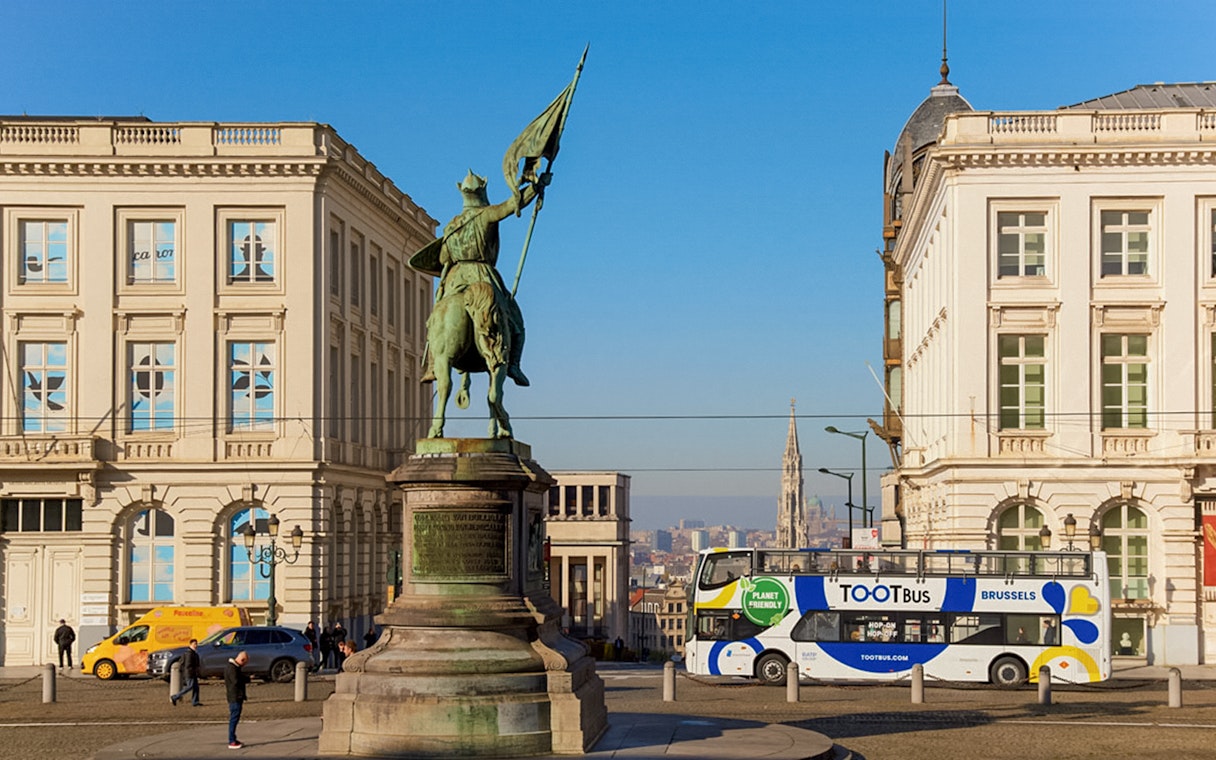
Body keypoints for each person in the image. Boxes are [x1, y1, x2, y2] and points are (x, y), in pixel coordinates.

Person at [224, 650, 250, 749]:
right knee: (234, 718)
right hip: (235, 696)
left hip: (234, 696)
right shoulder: (233, 668)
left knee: (234, 718)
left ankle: (233, 738)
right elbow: (235, 681)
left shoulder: (232, 667)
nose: (244, 665)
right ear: (242, 660)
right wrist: (245, 679)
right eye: (245, 662)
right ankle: (231, 740)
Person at [170, 639, 202, 707]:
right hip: (190, 673)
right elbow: (188, 665)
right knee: (190, 686)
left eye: (196, 644)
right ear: (190, 644)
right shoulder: (189, 654)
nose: (196, 645)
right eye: (194, 644)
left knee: (196, 687)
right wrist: (192, 672)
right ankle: (175, 696)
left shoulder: (193, 653)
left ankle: (195, 701)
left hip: (193, 673)